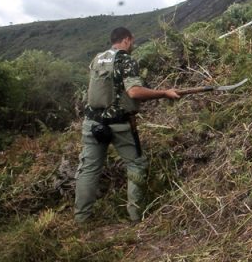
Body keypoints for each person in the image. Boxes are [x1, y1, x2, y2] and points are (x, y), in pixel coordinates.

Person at [74, 27, 181, 224]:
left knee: (89, 169)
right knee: (136, 164)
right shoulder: (126, 60)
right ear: (126, 40)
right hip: (118, 124)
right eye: (132, 41)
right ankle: (135, 216)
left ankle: (82, 219)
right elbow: (134, 92)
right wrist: (164, 93)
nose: (133, 45)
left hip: (92, 124)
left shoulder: (97, 59)